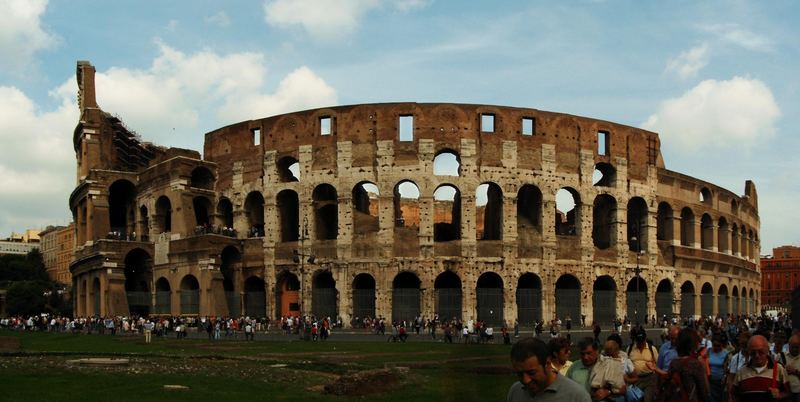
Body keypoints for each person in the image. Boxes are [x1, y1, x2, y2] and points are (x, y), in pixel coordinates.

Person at [508, 337, 591, 401]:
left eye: (532, 373)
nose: (526, 380)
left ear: (547, 364)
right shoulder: (515, 391)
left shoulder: (577, 396)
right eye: (519, 374)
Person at [731, 334, 790, 402]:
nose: (757, 356)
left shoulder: (779, 369)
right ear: (749, 351)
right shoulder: (742, 371)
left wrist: (779, 395)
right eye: (753, 352)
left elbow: (788, 393)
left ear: (767, 350)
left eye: (761, 352)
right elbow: (733, 394)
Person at [659, 328, 710, 402]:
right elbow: (704, 390)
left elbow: (667, 378)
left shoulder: (674, 363)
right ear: (692, 344)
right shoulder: (696, 363)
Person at [628, 326, 659, 402]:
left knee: (647, 399)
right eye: (638, 341)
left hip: (649, 378)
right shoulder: (630, 348)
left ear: (645, 339)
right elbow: (626, 363)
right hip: (635, 379)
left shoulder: (652, 349)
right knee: (634, 399)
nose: (640, 343)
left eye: (642, 341)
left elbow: (658, 364)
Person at [708, 332, 730, 402]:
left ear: (722, 345)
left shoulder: (725, 353)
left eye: (718, 345)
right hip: (710, 381)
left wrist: (725, 377)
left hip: (720, 382)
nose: (716, 347)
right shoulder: (708, 351)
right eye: (715, 345)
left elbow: (727, 368)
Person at [783, 334, 800, 402]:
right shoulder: (781, 356)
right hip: (785, 392)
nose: (794, 349)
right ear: (788, 346)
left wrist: (795, 372)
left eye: (797, 347)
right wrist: (784, 371)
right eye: (792, 347)